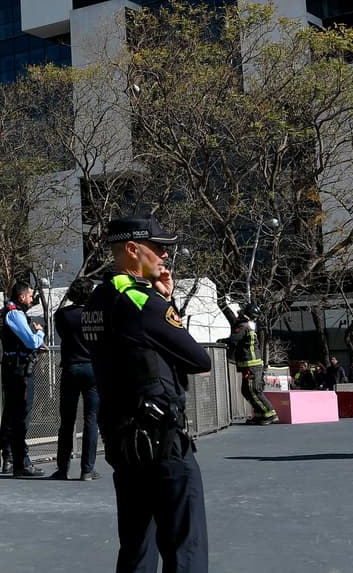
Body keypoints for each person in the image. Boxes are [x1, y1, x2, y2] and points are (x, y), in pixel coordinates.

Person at [84, 214, 210, 572]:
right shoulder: (143, 301)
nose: (165, 255)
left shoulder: (97, 300)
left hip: (122, 440)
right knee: (185, 548)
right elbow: (198, 359)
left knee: (137, 546)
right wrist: (165, 302)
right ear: (132, 249)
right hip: (162, 440)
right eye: (158, 247)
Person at [52, 276, 101, 480]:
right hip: (92, 368)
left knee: (67, 420)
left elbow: (63, 335)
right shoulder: (96, 315)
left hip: (71, 367)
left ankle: (62, 468)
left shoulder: (61, 315)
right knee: (91, 420)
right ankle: (87, 469)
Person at [0, 280, 46, 476]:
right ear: (22, 296)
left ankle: (9, 456)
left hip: (13, 368)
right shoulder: (15, 314)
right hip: (20, 370)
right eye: (30, 295)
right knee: (21, 416)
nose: (32, 299)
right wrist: (39, 333)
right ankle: (21, 462)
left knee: (12, 413)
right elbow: (31, 341)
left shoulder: (11, 313)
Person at [216, 297, 277, 425]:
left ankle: (270, 414)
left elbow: (233, 340)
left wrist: (221, 341)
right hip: (251, 365)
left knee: (253, 390)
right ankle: (260, 414)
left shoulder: (243, 326)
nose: (239, 313)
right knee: (246, 390)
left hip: (251, 365)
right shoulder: (249, 325)